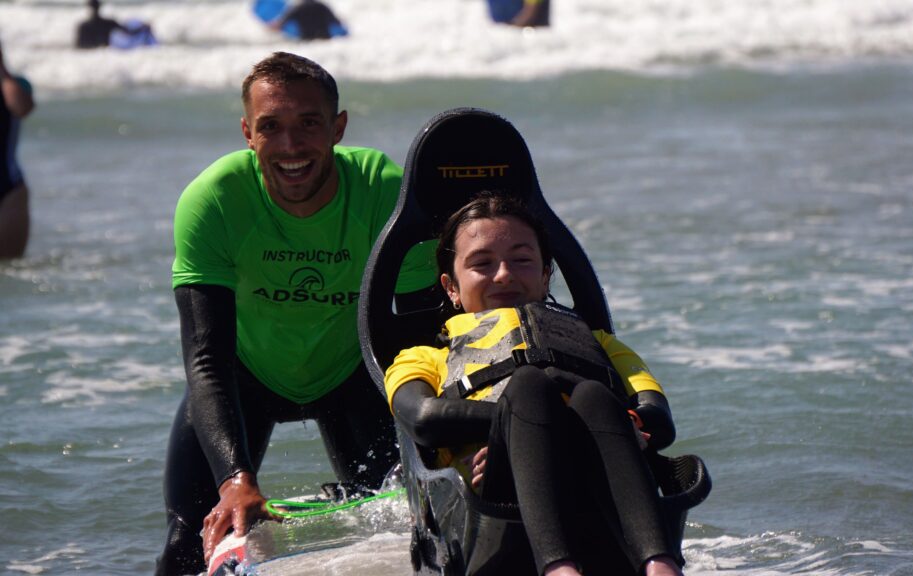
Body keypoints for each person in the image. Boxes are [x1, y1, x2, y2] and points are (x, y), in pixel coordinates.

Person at [157, 51, 435, 575]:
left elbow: (422, 334)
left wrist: (442, 436)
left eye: (309, 124)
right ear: (247, 132)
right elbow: (206, 358)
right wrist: (235, 480)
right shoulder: (214, 200)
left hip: (355, 373)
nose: (290, 146)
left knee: (412, 521)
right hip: (244, 376)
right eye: (271, 127)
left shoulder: (383, 192)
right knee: (187, 541)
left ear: (338, 127)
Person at [385, 194, 684, 576]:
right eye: (482, 264)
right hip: (495, 498)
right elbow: (424, 420)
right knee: (528, 386)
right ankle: (559, 568)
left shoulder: (603, 345)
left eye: (522, 260)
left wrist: (553, 436)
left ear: (545, 275)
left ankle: (660, 564)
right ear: (451, 287)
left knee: (593, 393)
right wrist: (517, 429)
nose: (505, 274)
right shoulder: (422, 359)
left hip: (602, 486)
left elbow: (656, 418)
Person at [0, 39, 34, 260]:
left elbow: (21, 108)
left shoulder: (16, 86)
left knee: (10, 269)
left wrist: (2, 72)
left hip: (7, 190)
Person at [75, 0, 154, 49]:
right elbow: (129, 32)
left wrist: (142, 28)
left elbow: (128, 32)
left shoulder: (84, 26)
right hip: (101, 57)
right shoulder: (84, 26)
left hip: (101, 58)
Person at [273, 0, 348, 40]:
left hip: (306, 38)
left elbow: (281, 23)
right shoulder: (321, 6)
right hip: (324, 37)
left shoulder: (297, 8)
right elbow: (336, 21)